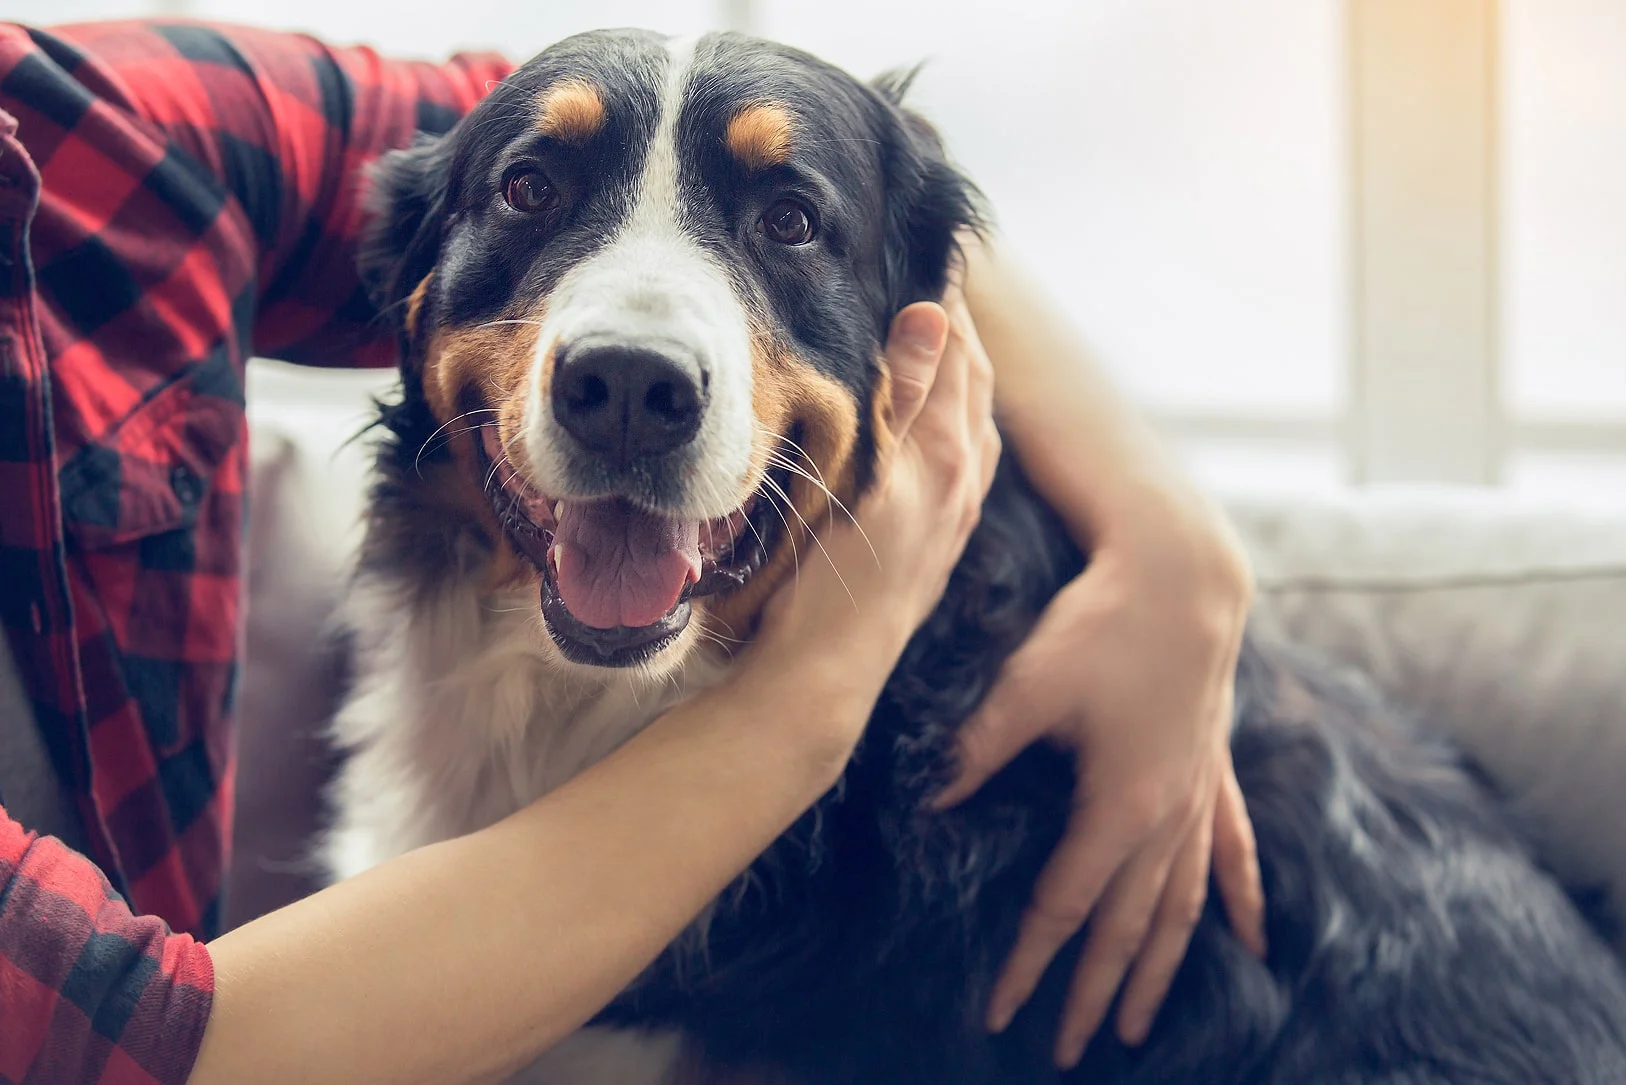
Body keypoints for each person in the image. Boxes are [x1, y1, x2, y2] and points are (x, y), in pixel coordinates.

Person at [0, 19, 1260, 1084]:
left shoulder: (86, 124)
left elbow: (673, 116)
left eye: (788, 217)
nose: (632, 354)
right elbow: (173, 1044)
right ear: (412, 299)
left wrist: (1175, 545)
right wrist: (813, 691)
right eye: (535, 198)